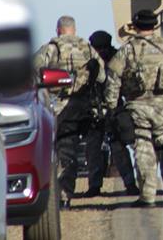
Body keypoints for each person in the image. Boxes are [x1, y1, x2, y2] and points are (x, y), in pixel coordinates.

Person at [104, 9, 163, 208]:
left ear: (136, 25)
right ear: (154, 25)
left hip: (137, 107)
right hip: (162, 107)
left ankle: (148, 196)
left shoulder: (128, 49)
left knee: (143, 150)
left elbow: (113, 79)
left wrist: (113, 107)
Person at [33, 15, 105, 208]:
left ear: (58, 30)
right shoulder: (88, 49)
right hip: (85, 107)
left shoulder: (51, 48)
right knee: (82, 148)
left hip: (60, 107)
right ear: (74, 29)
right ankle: (80, 189)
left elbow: (34, 72)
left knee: (59, 151)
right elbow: (103, 75)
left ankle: (59, 195)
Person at [87, 30, 139, 197]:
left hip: (113, 109)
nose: (101, 51)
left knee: (116, 147)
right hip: (100, 109)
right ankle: (96, 186)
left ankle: (129, 184)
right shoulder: (95, 62)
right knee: (95, 148)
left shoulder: (113, 60)